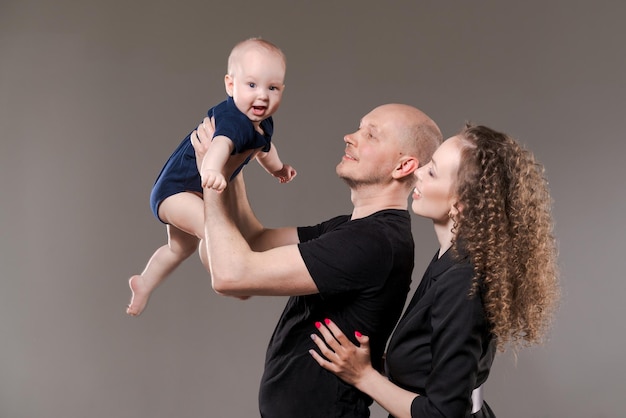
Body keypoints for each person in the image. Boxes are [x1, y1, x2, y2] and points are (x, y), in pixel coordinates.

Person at [190, 104, 443, 417]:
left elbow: (231, 275)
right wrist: (231, 168)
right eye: (358, 127)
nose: (350, 137)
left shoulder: (372, 242)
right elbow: (253, 241)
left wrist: (209, 179)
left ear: (403, 167)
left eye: (370, 135)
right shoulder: (350, 229)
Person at [309, 124, 561, 417]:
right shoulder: (453, 257)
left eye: (432, 172)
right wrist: (382, 359)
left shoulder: (462, 281)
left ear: (460, 203)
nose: (418, 171)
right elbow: (433, 360)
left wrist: (363, 376)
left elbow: (443, 414)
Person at [126, 37, 296, 316]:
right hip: (176, 191)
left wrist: (278, 168)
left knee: (180, 249)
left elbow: (265, 148)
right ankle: (230, 274)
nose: (262, 95)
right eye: (251, 85)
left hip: (186, 191)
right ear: (231, 85)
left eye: (272, 88)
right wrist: (212, 170)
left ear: (282, 90)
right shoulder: (234, 120)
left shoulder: (262, 122)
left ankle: (144, 282)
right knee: (215, 231)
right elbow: (219, 145)